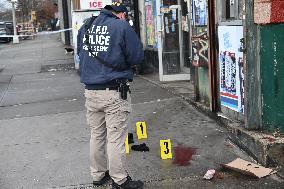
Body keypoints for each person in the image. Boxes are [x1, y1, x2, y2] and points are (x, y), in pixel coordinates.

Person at [77, 2, 144, 189]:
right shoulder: (121, 26)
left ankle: (98, 176)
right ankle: (120, 180)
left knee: (96, 135)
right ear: (121, 14)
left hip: (90, 91)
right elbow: (137, 56)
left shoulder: (86, 26)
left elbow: (80, 55)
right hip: (114, 91)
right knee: (115, 138)